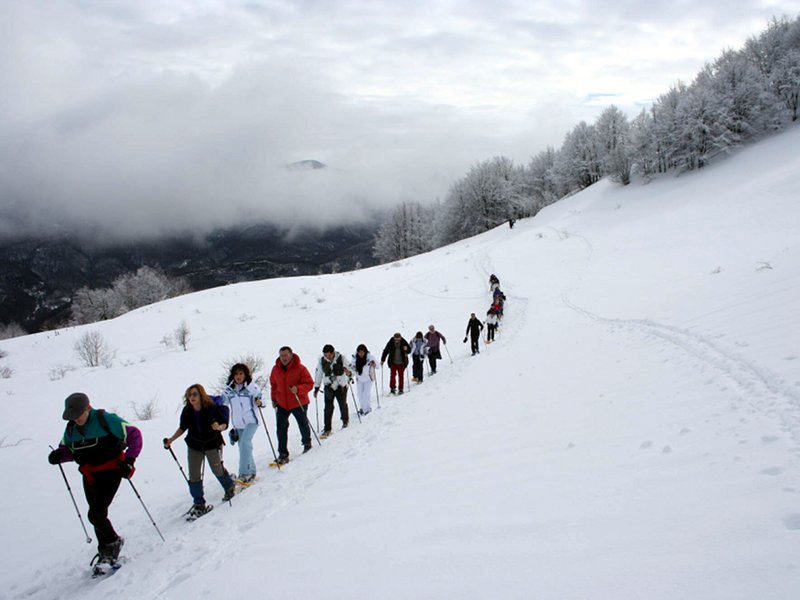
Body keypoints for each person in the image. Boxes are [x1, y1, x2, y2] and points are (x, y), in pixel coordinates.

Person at [48, 392, 142, 571]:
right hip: (89, 474)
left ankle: (114, 541)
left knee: (95, 514)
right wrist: (59, 456)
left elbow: (135, 435)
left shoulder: (106, 419)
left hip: (112, 471)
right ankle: (105, 549)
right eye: (72, 417)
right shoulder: (71, 429)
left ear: (88, 408)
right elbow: (68, 450)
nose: (76, 420)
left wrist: (129, 460)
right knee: (97, 514)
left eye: (78, 415)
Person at [164, 384, 236, 519]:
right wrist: (171, 440)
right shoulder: (187, 411)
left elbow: (224, 423)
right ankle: (199, 504)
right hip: (194, 445)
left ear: (201, 395)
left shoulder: (211, 408)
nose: (191, 397)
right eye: (189, 395)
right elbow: (183, 427)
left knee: (217, 470)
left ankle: (229, 486)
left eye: (194, 394)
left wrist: (219, 427)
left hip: (212, 443)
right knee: (194, 476)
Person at [269, 346, 313, 464]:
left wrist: (298, 389)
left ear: (291, 355)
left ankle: (307, 443)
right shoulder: (275, 369)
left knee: (302, 423)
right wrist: (273, 399)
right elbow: (273, 385)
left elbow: (309, 383)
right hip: (282, 403)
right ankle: (283, 453)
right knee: (281, 428)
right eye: (281, 355)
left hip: (299, 401)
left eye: (286, 355)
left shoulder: (300, 368)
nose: (283, 358)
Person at [222, 363, 263, 485]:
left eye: (241, 373)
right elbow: (222, 402)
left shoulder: (252, 387)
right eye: (236, 374)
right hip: (238, 424)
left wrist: (260, 402)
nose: (238, 376)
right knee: (243, 447)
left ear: (245, 374)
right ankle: (252, 471)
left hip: (251, 421)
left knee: (245, 443)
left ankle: (244, 473)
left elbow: (262, 399)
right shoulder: (229, 389)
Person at [314, 344, 352, 437]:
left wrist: (349, 373)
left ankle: (345, 420)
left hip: (340, 385)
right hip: (328, 385)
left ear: (333, 352)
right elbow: (318, 374)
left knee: (342, 404)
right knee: (328, 407)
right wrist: (316, 387)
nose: (327, 357)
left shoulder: (341, 358)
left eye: (329, 355)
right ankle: (327, 428)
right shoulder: (321, 361)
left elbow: (351, 369)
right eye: (325, 355)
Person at [350, 344, 377, 415]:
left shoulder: (370, 357)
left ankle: (367, 408)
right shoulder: (355, 358)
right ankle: (362, 408)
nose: (361, 354)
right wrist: (350, 372)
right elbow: (352, 368)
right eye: (359, 352)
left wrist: (374, 364)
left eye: (362, 352)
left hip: (369, 378)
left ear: (365, 352)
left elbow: (378, 366)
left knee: (366, 394)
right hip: (360, 379)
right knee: (359, 394)